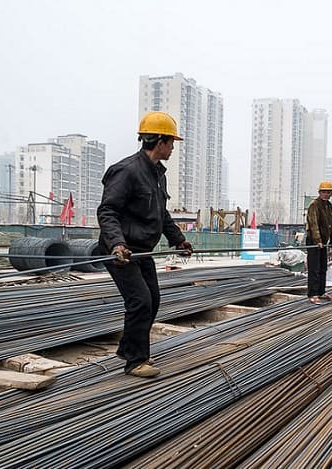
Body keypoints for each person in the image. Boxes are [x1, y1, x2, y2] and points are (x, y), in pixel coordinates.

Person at [97, 111, 193, 378]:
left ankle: (129, 348)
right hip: (121, 251)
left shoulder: (157, 175)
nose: (173, 147)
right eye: (171, 142)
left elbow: (161, 215)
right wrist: (117, 244)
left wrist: (178, 240)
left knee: (153, 300)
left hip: (141, 252)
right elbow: (107, 212)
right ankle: (136, 361)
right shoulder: (126, 171)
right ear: (159, 141)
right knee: (140, 300)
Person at [305, 180, 332, 304]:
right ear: (319, 192)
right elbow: (314, 225)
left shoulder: (328, 206)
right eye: (323, 192)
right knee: (314, 268)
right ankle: (312, 294)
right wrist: (318, 241)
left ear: (331, 194)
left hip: (323, 242)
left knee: (323, 267)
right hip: (313, 241)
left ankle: (321, 291)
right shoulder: (315, 205)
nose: (326, 194)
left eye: (328, 192)